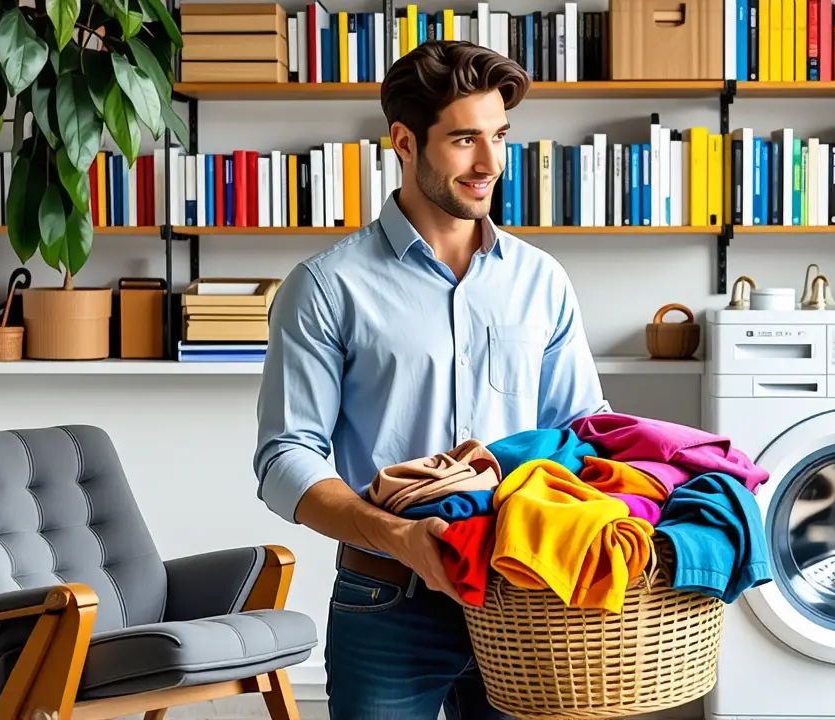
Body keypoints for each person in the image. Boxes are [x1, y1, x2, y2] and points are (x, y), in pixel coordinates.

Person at [253, 39, 610, 719]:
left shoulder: (541, 281)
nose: (489, 164)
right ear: (404, 142)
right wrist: (401, 539)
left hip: (525, 597)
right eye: (464, 141)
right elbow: (285, 457)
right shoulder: (327, 287)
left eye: (500, 137)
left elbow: (580, 435)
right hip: (386, 602)